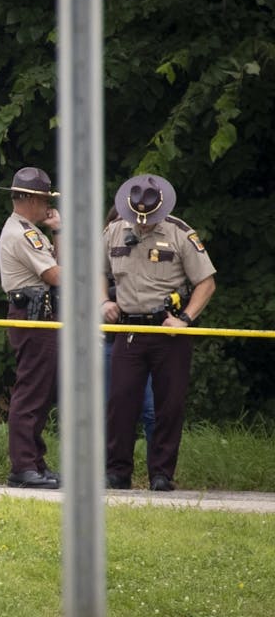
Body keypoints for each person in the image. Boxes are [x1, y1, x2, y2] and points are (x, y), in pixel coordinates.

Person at [103, 174, 215, 492]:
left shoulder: (180, 233)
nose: (143, 225)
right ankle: (117, 472)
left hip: (169, 332)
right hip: (129, 328)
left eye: (149, 219)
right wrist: (102, 301)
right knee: (120, 402)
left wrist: (187, 319)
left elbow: (206, 282)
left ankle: (161, 474)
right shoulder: (113, 231)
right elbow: (95, 271)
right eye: (138, 219)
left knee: (169, 405)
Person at [0, 166, 62, 490]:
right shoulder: (21, 233)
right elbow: (56, 276)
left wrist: (57, 232)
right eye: (45, 199)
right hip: (32, 314)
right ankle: (23, 467)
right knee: (31, 392)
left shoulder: (29, 231)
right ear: (32, 199)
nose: (47, 206)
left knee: (42, 390)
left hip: (41, 315)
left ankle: (35, 461)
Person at [103, 207, 155, 446]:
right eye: (117, 223)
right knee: (111, 409)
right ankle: (109, 470)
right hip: (107, 343)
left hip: (141, 339)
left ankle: (160, 472)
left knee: (150, 409)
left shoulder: (144, 253)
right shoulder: (102, 256)